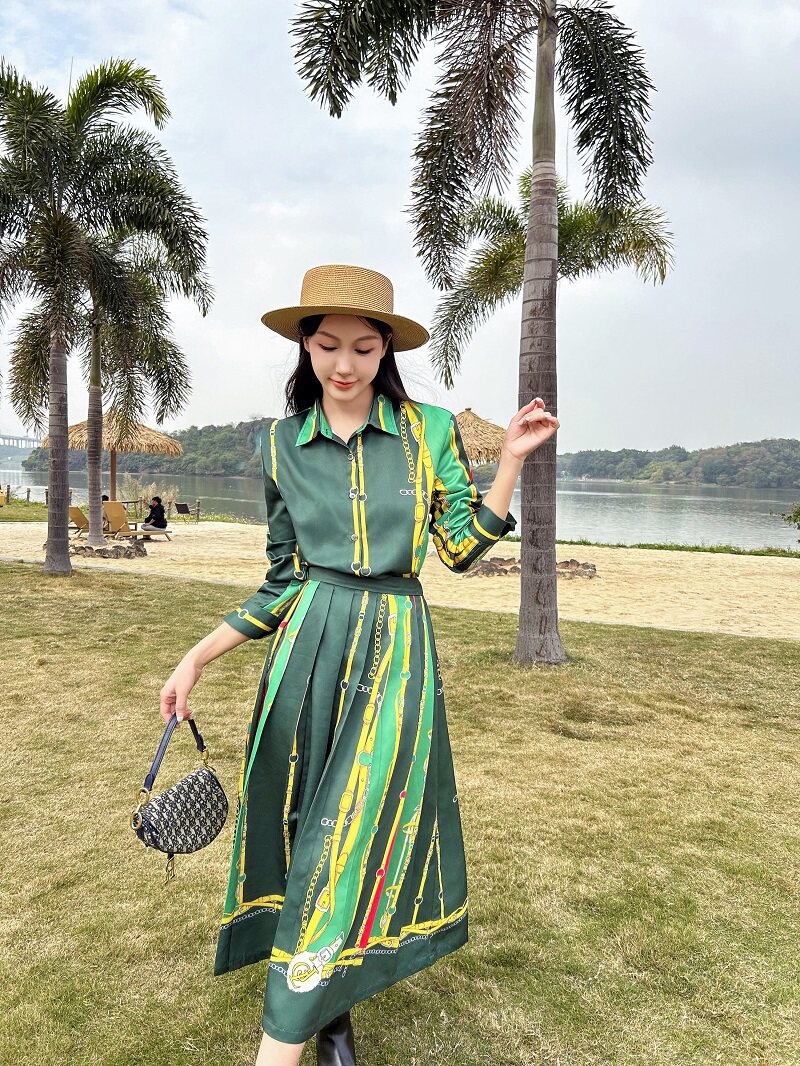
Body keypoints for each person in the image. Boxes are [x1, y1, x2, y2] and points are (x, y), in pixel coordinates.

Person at [158, 264, 560, 1066]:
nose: (344, 364)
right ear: (305, 346)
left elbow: (458, 549)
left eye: (364, 348)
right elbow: (281, 581)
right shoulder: (280, 445)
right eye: (328, 345)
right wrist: (196, 656)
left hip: (396, 649)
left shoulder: (427, 431)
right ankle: (328, 1006)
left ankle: (283, 1038)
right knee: (307, 822)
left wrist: (511, 464)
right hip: (306, 647)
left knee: (357, 823)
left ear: (386, 352)